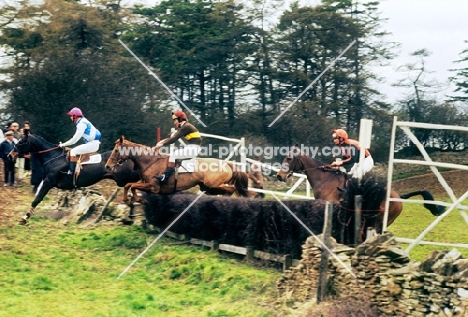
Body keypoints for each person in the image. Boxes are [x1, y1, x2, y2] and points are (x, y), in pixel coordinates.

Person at [153, 110, 202, 183]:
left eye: (175, 120)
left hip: (193, 148)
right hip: (191, 147)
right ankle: (171, 175)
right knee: (169, 155)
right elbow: (170, 138)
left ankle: (165, 177)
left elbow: (174, 139)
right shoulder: (183, 127)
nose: (174, 123)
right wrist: (160, 143)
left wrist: (161, 145)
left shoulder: (186, 126)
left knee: (173, 155)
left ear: (180, 119)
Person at [58, 107, 101, 176]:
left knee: (73, 151)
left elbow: (74, 140)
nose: (70, 118)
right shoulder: (83, 121)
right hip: (92, 143)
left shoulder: (81, 124)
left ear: (75, 116)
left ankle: (71, 172)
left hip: (92, 144)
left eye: (71, 116)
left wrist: (63, 145)